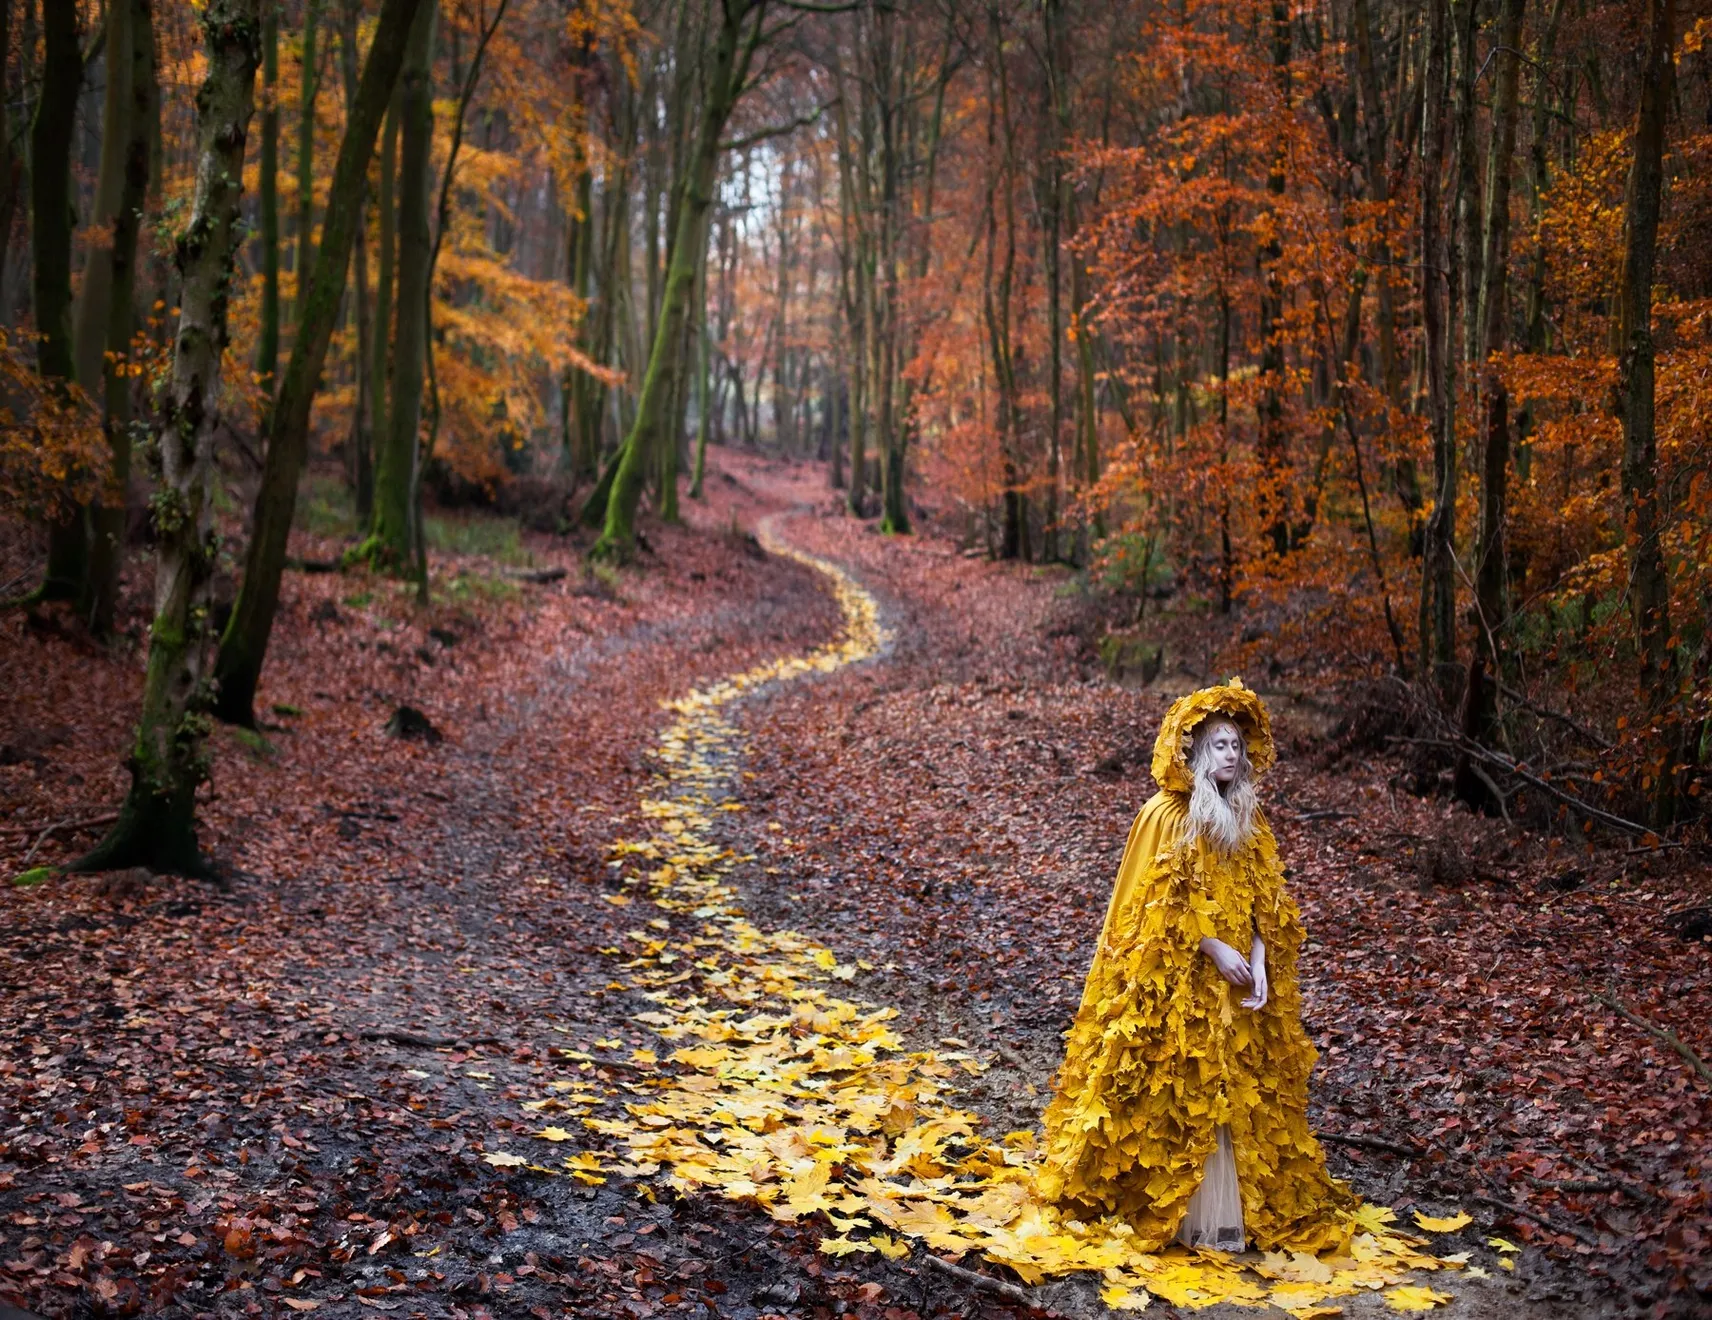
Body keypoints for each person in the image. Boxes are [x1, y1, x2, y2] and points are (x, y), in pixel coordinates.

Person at [1035, 678, 1356, 1253]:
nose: (1232, 754)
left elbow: (1266, 903)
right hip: (1180, 981)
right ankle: (1170, 1206)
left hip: (1239, 986)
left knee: (1240, 1088)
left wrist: (1257, 958)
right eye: (1220, 744)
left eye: (1237, 744)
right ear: (1193, 751)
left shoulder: (1248, 820)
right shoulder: (1166, 815)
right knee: (1182, 1087)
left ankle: (1243, 1207)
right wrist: (1212, 947)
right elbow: (1153, 906)